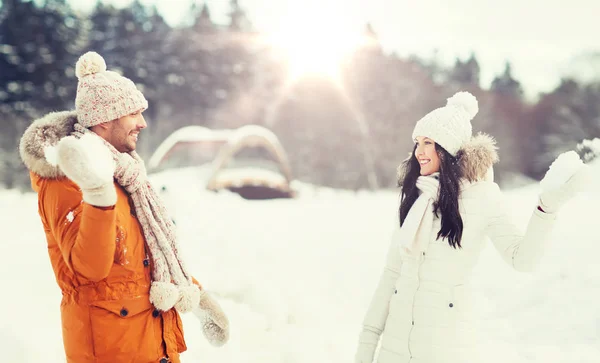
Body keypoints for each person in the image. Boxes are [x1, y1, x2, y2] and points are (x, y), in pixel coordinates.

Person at [19, 51, 229, 363]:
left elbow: (148, 258)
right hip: (111, 349)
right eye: (133, 113)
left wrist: (196, 297)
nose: (143, 123)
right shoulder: (66, 179)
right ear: (104, 119)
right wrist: (97, 196)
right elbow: (89, 269)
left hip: (154, 345)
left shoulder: (127, 174)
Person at [353, 91, 592, 363]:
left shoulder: (483, 197)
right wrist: (366, 347)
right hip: (393, 350)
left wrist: (546, 208)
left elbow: (522, 259)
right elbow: (391, 276)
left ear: (448, 148)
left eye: (428, 142)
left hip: (444, 348)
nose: (419, 151)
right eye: (417, 142)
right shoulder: (414, 197)